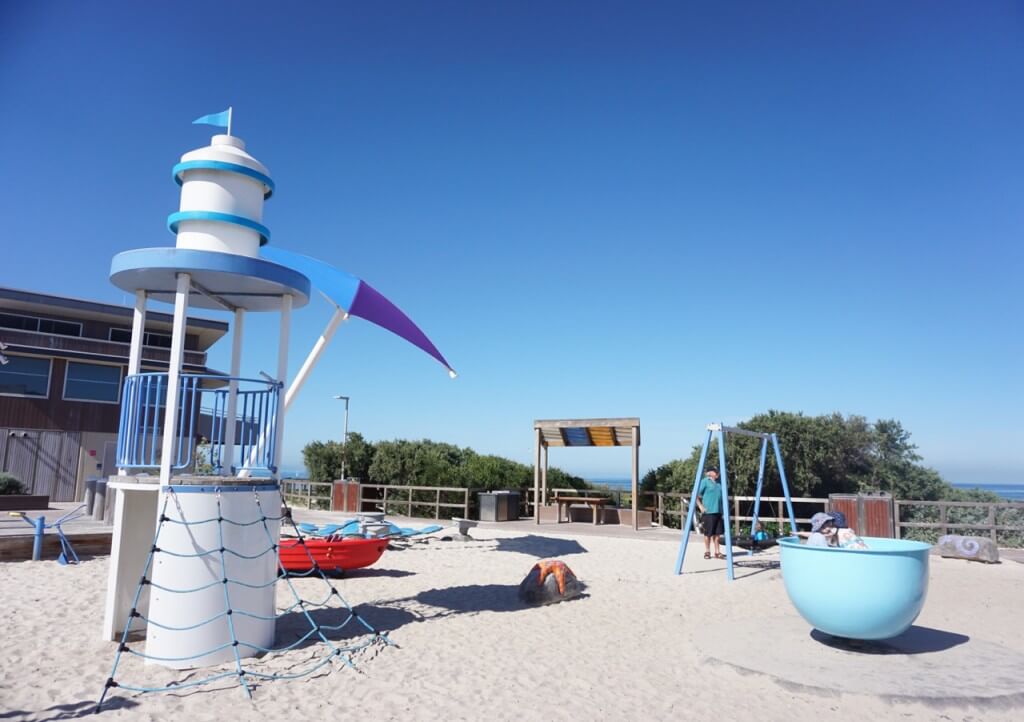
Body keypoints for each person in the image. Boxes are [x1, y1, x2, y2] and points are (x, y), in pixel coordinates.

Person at [696, 468, 725, 559]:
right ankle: (707, 551)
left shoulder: (719, 483)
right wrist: (700, 506)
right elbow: (696, 494)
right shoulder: (705, 481)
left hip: (718, 511)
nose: (717, 473)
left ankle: (717, 552)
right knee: (708, 533)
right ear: (710, 473)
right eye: (715, 472)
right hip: (708, 511)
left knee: (717, 533)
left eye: (718, 472)